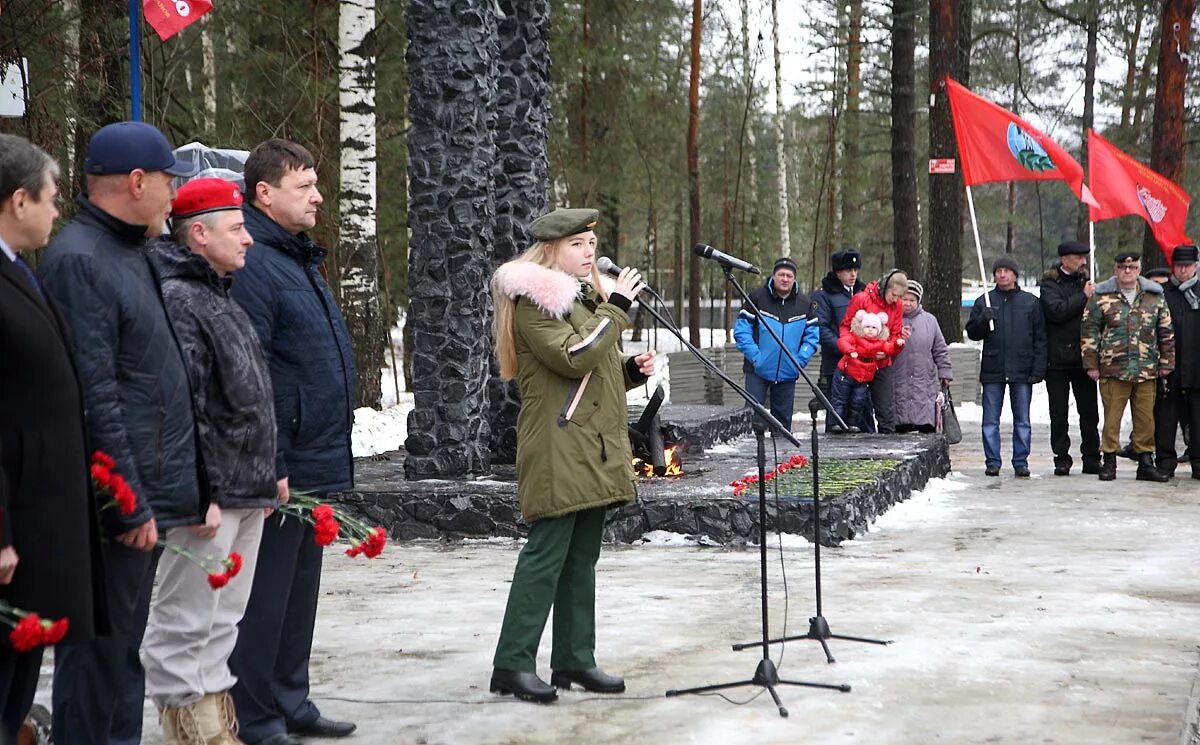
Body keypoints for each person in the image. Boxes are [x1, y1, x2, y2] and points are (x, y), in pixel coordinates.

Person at [37, 122, 202, 745]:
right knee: (98, 657)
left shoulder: (131, 251)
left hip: (145, 487)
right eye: (168, 181)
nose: (173, 195)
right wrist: (126, 499)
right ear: (137, 182)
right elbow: (93, 392)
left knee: (122, 653)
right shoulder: (81, 260)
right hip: (114, 503)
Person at [488, 207, 656, 703]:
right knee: (545, 556)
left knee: (582, 558)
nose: (588, 252)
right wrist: (617, 309)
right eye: (577, 244)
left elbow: (590, 370)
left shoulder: (583, 299)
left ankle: (573, 660)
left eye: (590, 243)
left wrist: (630, 371)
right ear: (551, 251)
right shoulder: (535, 302)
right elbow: (573, 355)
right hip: (558, 445)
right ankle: (512, 664)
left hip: (589, 444)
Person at [228, 139, 357, 745]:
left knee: (299, 590)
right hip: (283, 460)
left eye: (316, 184)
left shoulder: (295, 256)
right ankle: (255, 714)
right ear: (264, 193)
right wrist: (269, 460)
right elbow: (248, 369)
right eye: (304, 186)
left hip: (315, 453)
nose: (317, 196)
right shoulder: (256, 262)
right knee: (266, 595)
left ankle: (291, 699)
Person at [142, 178, 279, 743]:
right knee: (186, 616)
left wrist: (268, 476)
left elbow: (245, 393)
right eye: (237, 228)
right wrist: (197, 490)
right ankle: (188, 727)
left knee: (224, 615)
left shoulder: (215, 292)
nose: (249, 239)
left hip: (245, 488)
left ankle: (216, 720)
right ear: (199, 233)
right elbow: (182, 405)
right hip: (211, 495)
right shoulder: (178, 298)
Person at [0, 135, 107, 742]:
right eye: (50, 197)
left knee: (17, 688)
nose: (57, 210)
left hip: (38, 523)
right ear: (18, 201)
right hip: (14, 528)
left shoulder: (19, 272)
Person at [1080, 251, 1174, 482]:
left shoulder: (1154, 295)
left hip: (1146, 367)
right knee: (1112, 417)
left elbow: (1166, 331)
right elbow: (1089, 331)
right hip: (1114, 368)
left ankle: (1145, 462)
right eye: (1123, 268)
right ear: (1116, 270)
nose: (1127, 272)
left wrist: (1166, 362)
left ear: (1139, 269)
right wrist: (1091, 364)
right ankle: (1109, 460)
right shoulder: (1102, 296)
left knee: (1145, 418)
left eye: (1132, 268)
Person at [965, 256, 1046, 477]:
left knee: (1022, 420)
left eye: (1007, 271)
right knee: (990, 420)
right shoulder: (985, 301)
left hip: (1022, 368)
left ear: (1015, 274)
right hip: (993, 368)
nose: (1002, 275)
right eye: (998, 271)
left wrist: (1038, 368)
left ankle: (1021, 461)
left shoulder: (1030, 302)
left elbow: (1040, 337)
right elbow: (973, 333)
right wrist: (983, 318)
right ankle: (992, 461)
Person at [733, 257, 819, 432]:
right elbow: (742, 332)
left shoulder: (805, 304)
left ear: (794, 278)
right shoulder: (757, 298)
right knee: (752, 421)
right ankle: (751, 458)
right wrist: (756, 357)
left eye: (789, 275)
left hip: (788, 373)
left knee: (782, 427)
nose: (785, 279)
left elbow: (812, 336)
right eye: (781, 274)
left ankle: (781, 459)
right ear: (773, 276)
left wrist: (799, 360)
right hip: (757, 370)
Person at [1039, 240, 1101, 476]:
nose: (1083, 262)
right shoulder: (1049, 284)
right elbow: (1057, 311)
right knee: (1059, 413)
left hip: (1083, 358)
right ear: (1065, 259)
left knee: (1089, 411)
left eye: (1084, 257)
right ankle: (1062, 457)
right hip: (1057, 360)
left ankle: (1092, 455)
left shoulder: (1087, 282)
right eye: (1078, 257)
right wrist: (1083, 297)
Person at [840, 268, 910, 433]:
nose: (896, 300)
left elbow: (896, 334)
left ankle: (888, 450)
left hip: (882, 363)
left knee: (885, 410)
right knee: (858, 407)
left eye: (900, 297)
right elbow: (846, 327)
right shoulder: (861, 299)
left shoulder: (897, 306)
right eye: (894, 295)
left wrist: (889, 350)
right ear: (885, 288)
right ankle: (860, 450)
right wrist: (854, 348)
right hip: (859, 362)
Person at [810, 249, 870, 429]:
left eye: (855, 270)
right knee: (837, 412)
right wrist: (845, 347)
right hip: (837, 363)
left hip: (864, 364)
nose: (853, 275)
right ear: (837, 272)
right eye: (847, 271)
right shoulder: (823, 296)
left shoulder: (864, 292)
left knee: (862, 411)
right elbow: (821, 327)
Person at [1157, 245, 1198, 479]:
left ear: (1195, 267)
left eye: (1188, 266)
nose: (1183, 270)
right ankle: (1165, 461)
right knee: (1166, 417)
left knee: (1197, 418)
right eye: (1179, 266)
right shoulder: (1161, 292)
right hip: (1169, 366)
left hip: (1197, 366)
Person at [891, 280, 953, 433]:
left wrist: (945, 372)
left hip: (924, 378)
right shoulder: (890, 319)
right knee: (900, 410)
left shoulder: (929, 321)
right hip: (898, 375)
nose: (908, 303)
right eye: (904, 299)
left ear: (918, 301)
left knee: (924, 414)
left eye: (912, 300)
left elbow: (940, 349)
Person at [830, 310, 900, 429]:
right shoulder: (855, 337)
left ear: (879, 330)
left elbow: (890, 349)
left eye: (874, 327)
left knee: (857, 402)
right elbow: (842, 341)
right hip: (846, 374)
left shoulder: (881, 342)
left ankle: (853, 424)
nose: (870, 329)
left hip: (863, 378)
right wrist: (850, 351)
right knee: (839, 400)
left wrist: (898, 345)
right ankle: (836, 423)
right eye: (867, 327)